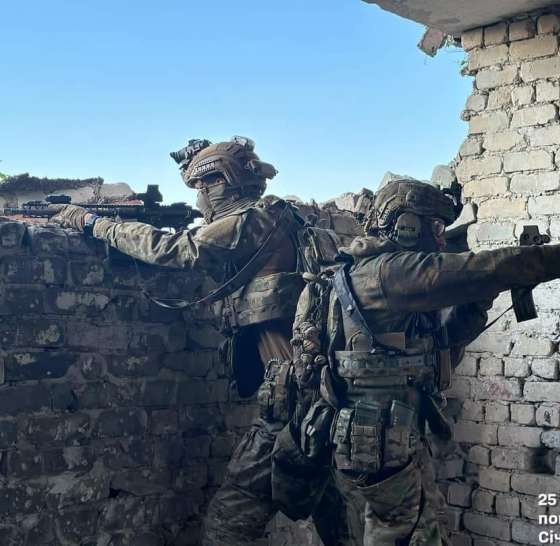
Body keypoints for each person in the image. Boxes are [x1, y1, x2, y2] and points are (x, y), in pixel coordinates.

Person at [283, 178, 560, 546]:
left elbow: (440, 342)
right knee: (407, 534)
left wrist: (480, 298)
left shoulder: (367, 271)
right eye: (436, 227)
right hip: (378, 440)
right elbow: (486, 268)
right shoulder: (390, 272)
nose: (441, 239)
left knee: (416, 527)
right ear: (406, 225)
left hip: (378, 437)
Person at [50, 137, 353, 546]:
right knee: (335, 517)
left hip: (292, 405)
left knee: (227, 523)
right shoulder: (288, 221)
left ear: (220, 184)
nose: (200, 197)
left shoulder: (250, 222)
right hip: (322, 394)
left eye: (202, 186)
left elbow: (175, 250)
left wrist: (92, 223)